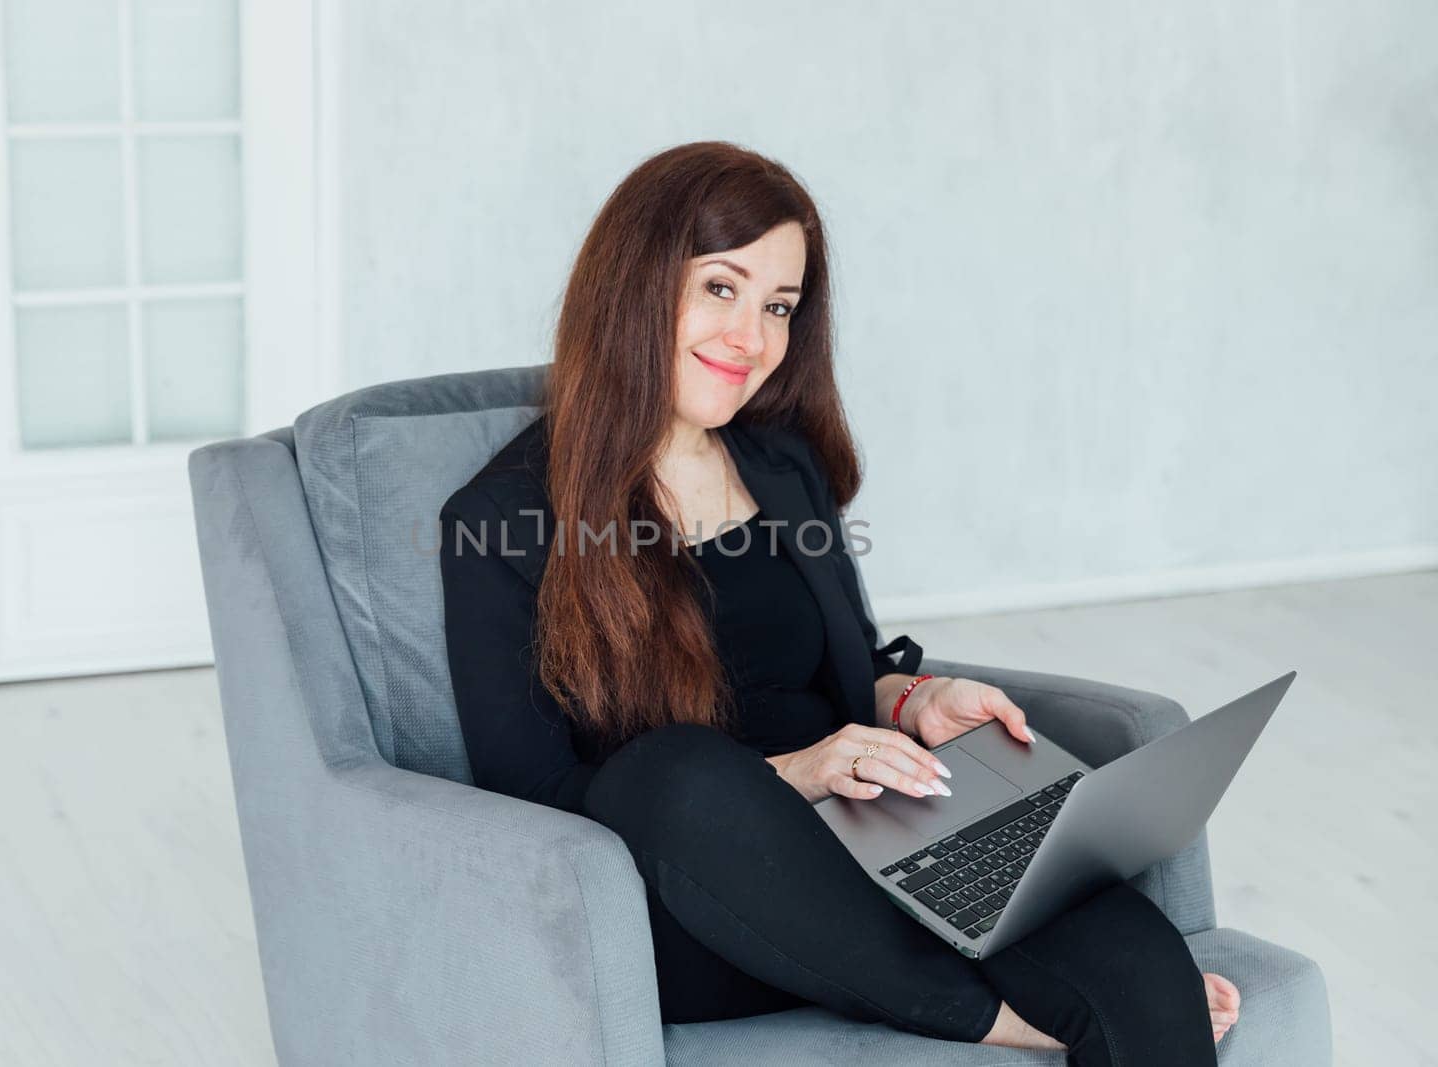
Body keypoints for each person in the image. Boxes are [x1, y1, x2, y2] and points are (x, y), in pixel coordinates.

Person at [437, 141, 1240, 1064]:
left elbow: (850, 666)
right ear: (632, 283)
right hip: (705, 900)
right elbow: (533, 803)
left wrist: (914, 699)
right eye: (721, 288)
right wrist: (797, 775)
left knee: (1141, 966)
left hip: (874, 846)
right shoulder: (500, 520)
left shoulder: (782, 463)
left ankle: (1025, 971)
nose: (754, 337)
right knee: (675, 772)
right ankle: (988, 1013)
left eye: (779, 306)